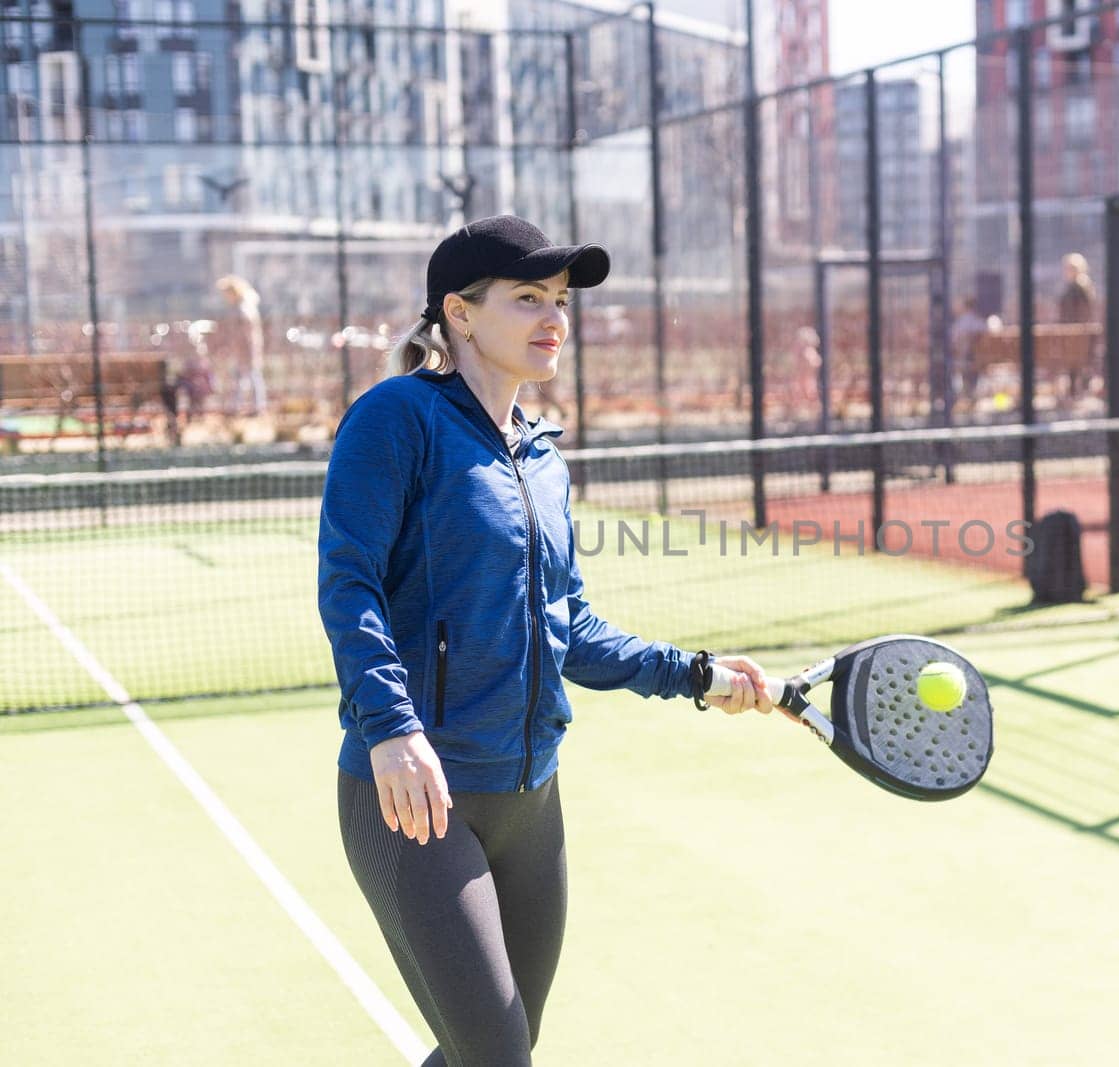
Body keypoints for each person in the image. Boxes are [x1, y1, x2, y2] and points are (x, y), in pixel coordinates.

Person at [317, 215, 774, 1066]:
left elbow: (571, 628)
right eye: (529, 297)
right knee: (497, 1056)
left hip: (532, 798)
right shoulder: (396, 418)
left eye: (560, 299)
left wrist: (697, 674)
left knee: (490, 1048)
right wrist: (392, 728)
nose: (554, 317)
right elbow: (351, 585)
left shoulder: (542, 456)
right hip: (418, 796)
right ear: (458, 312)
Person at [213, 275, 267, 416]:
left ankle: (256, 407)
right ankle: (243, 406)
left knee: (252, 376)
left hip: (246, 350)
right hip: (242, 349)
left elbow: (245, 333)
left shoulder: (243, 309)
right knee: (245, 377)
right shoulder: (241, 307)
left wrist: (245, 349)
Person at [1056, 252, 1096, 326]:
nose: (1066, 272)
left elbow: (1083, 311)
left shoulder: (1081, 287)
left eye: (1070, 269)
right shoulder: (1070, 287)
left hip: (1077, 328)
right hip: (1070, 327)